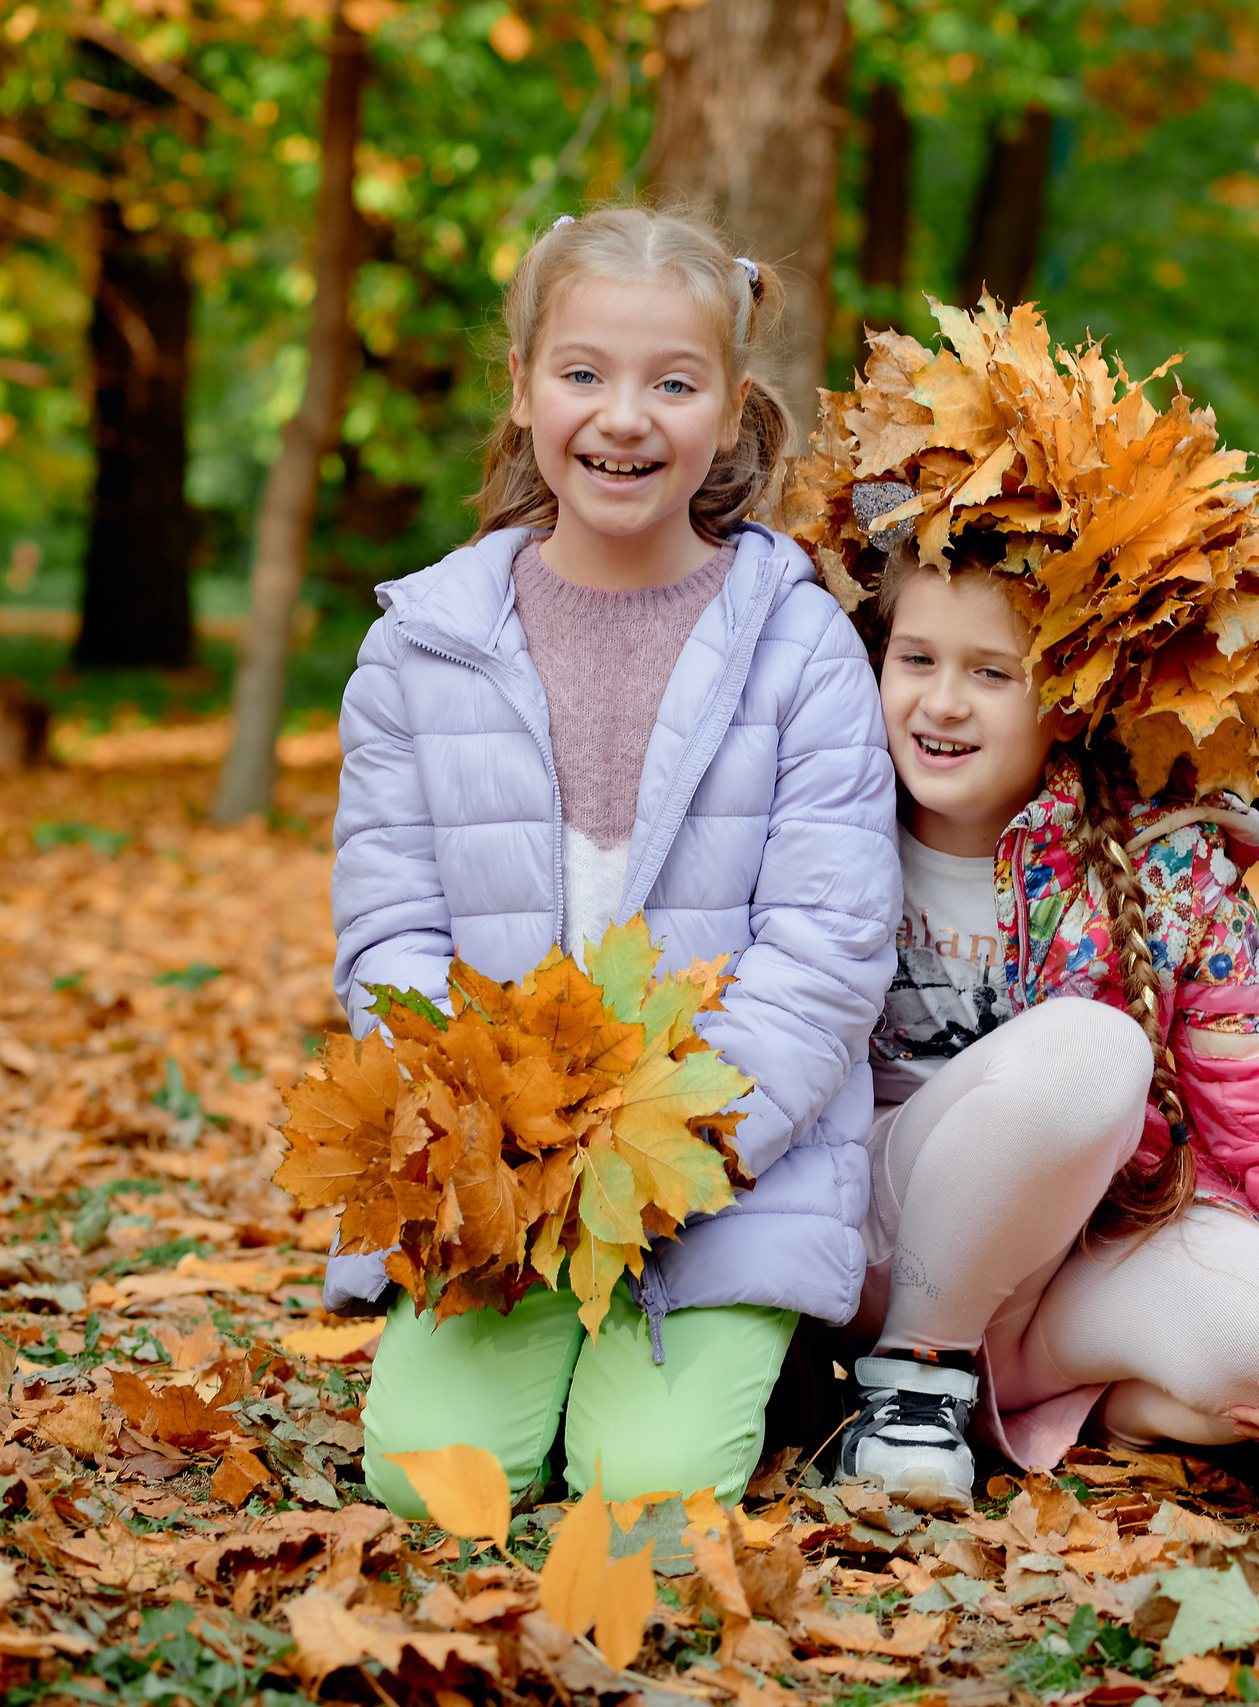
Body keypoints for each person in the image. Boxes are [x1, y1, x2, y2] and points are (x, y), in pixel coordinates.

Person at [322, 206, 899, 1514]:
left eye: (673, 382)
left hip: (717, 1171)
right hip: (498, 1174)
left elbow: (827, 946)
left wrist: (670, 1152)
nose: (624, 417)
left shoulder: (799, 646)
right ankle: (548, 1341)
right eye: (583, 373)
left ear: (730, 407)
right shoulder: (423, 646)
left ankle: (762, 1347)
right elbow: (390, 928)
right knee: (432, 1483)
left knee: (639, 1489)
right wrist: (490, 1133)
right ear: (522, 386)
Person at [777, 301, 1259, 1514]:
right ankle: (910, 1371)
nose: (941, 704)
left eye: (991, 674)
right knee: (1088, 1051)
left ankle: (998, 1398)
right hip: (866, 1229)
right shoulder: (817, 817)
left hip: (1058, 1266)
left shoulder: (1158, 865)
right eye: (916, 660)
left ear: (1067, 698)